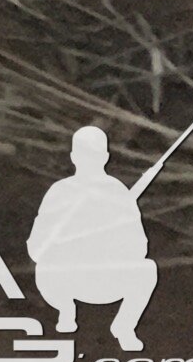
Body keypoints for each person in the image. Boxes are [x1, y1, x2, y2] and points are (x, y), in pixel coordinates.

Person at [29, 125, 160, 350]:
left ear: (73, 157)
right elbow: (37, 247)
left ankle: (124, 327)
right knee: (45, 266)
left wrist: (109, 240)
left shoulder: (117, 193)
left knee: (147, 269)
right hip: (65, 280)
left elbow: (139, 247)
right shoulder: (61, 191)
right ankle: (66, 310)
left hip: (105, 280)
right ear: (105, 157)